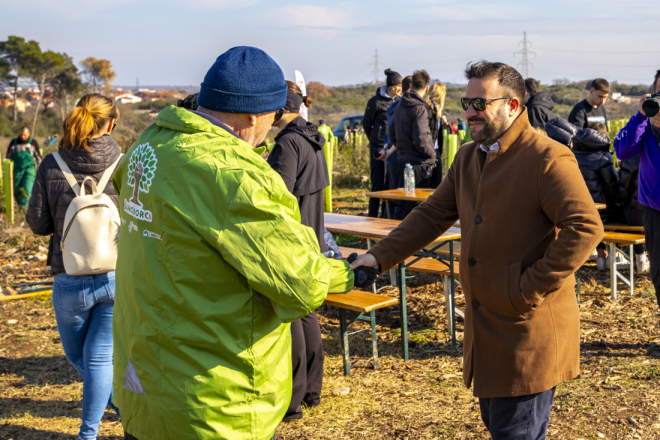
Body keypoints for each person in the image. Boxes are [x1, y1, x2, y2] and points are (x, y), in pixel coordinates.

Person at [349, 60, 603, 439]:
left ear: (513, 105)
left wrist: (525, 289)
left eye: (480, 103)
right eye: (467, 102)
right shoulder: (469, 156)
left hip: (526, 332)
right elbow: (432, 214)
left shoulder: (547, 157)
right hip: (486, 334)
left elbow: (585, 228)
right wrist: (376, 257)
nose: (470, 111)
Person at [111, 46, 354, 440]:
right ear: (253, 116)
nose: (271, 131)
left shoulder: (151, 144)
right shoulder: (234, 176)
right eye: (274, 119)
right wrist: (345, 271)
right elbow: (301, 285)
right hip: (216, 404)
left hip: (145, 387)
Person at [25, 93, 121, 440]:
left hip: (70, 274)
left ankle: (94, 429)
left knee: (80, 357)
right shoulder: (124, 163)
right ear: (111, 123)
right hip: (116, 273)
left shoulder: (51, 163)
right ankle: (107, 420)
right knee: (99, 360)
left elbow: (37, 224)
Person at [268, 81, 331, 421]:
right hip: (313, 238)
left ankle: (291, 402)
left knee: (293, 317)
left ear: (281, 109)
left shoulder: (288, 143)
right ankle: (311, 391)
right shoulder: (312, 138)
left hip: (293, 242)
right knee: (306, 315)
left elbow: (277, 196)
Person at [614, 69, 660, 304]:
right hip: (655, 209)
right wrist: (641, 117)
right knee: (659, 273)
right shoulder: (645, 125)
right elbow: (622, 150)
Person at [571, 124, 620, 270]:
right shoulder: (603, 157)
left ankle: (600, 254)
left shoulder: (570, 154)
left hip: (577, 209)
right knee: (615, 211)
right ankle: (613, 255)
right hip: (601, 211)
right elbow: (612, 187)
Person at [389, 69, 435, 219]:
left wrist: (401, 147)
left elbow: (392, 132)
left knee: (403, 206)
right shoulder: (419, 107)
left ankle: (397, 238)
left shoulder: (400, 105)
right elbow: (421, 138)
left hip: (403, 159)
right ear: (427, 88)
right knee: (417, 208)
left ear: (411, 85)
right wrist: (432, 154)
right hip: (419, 163)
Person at [363, 68, 402, 217]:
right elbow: (367, 124)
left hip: (393, 147)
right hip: (378, 146)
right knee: (378, 183)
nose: (401, 89)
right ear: (393, 86)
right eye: (400, 86)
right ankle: (372, 217)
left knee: (390, 184)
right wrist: (374, 140)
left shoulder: (399, 101)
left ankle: (386, 216)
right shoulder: (375, 102)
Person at [618, 155, 650, 272]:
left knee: (631, 211)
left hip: (636, 216)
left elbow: (623, 190)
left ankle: (640, 256)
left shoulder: (631, 159)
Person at [6, 126, 42, 208]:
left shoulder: (33, 143)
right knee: (16, 191)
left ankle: (25, 211)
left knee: (26, 191)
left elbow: (39, 158)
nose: (23, 136)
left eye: (25, 135)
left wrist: (40, 172)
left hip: (29, 170)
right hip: (17, 171)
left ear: (29, 134)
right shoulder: (14, 143)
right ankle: (20, 207)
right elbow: (8, 158)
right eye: (21, 134)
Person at [426, 82, 447, 187]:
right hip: (430, 151)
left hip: (436, 149)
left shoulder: (437, 110)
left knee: (437, 183)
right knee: (433, 184)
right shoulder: (428, 109)